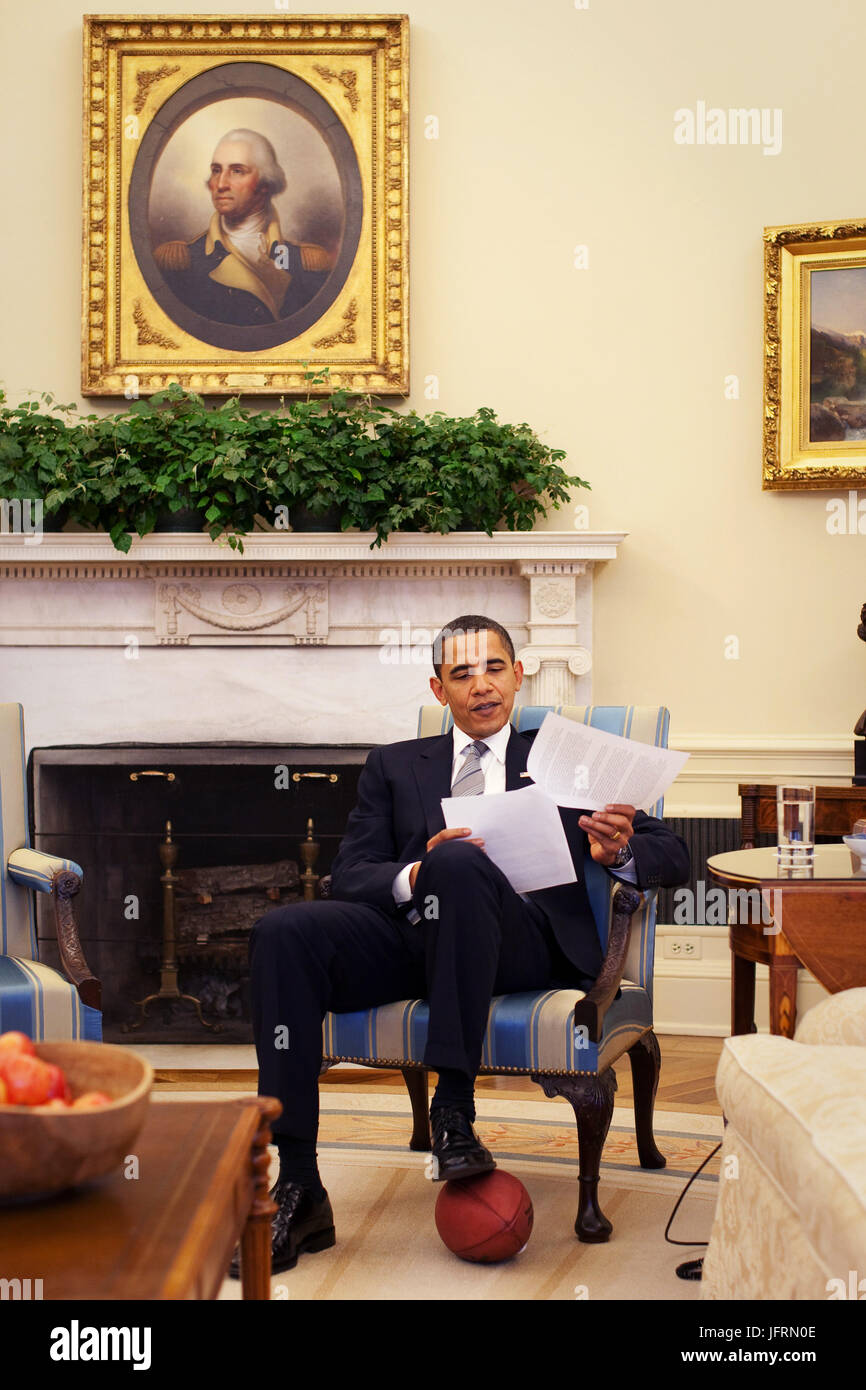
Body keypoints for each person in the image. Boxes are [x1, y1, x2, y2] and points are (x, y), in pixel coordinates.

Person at [232, 614, 690, 1276]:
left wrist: (618, 851)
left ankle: (453, 1110)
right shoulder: (393, 765)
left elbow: (670, 854)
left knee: (460, 863)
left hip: (527, 946)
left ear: (519, 675)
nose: (482, 686)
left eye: (494, 668)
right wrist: (415, 870)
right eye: (462, 673)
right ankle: (300, 1184)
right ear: (438, 687)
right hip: (417, 936)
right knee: (283, 931)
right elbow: (350, 874)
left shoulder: (560, 757)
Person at [153, 128, 333, 326]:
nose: (220, 184)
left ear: (265, 183)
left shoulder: (305, 263)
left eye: (237, 171)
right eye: (216, 170)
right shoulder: (181, 263)